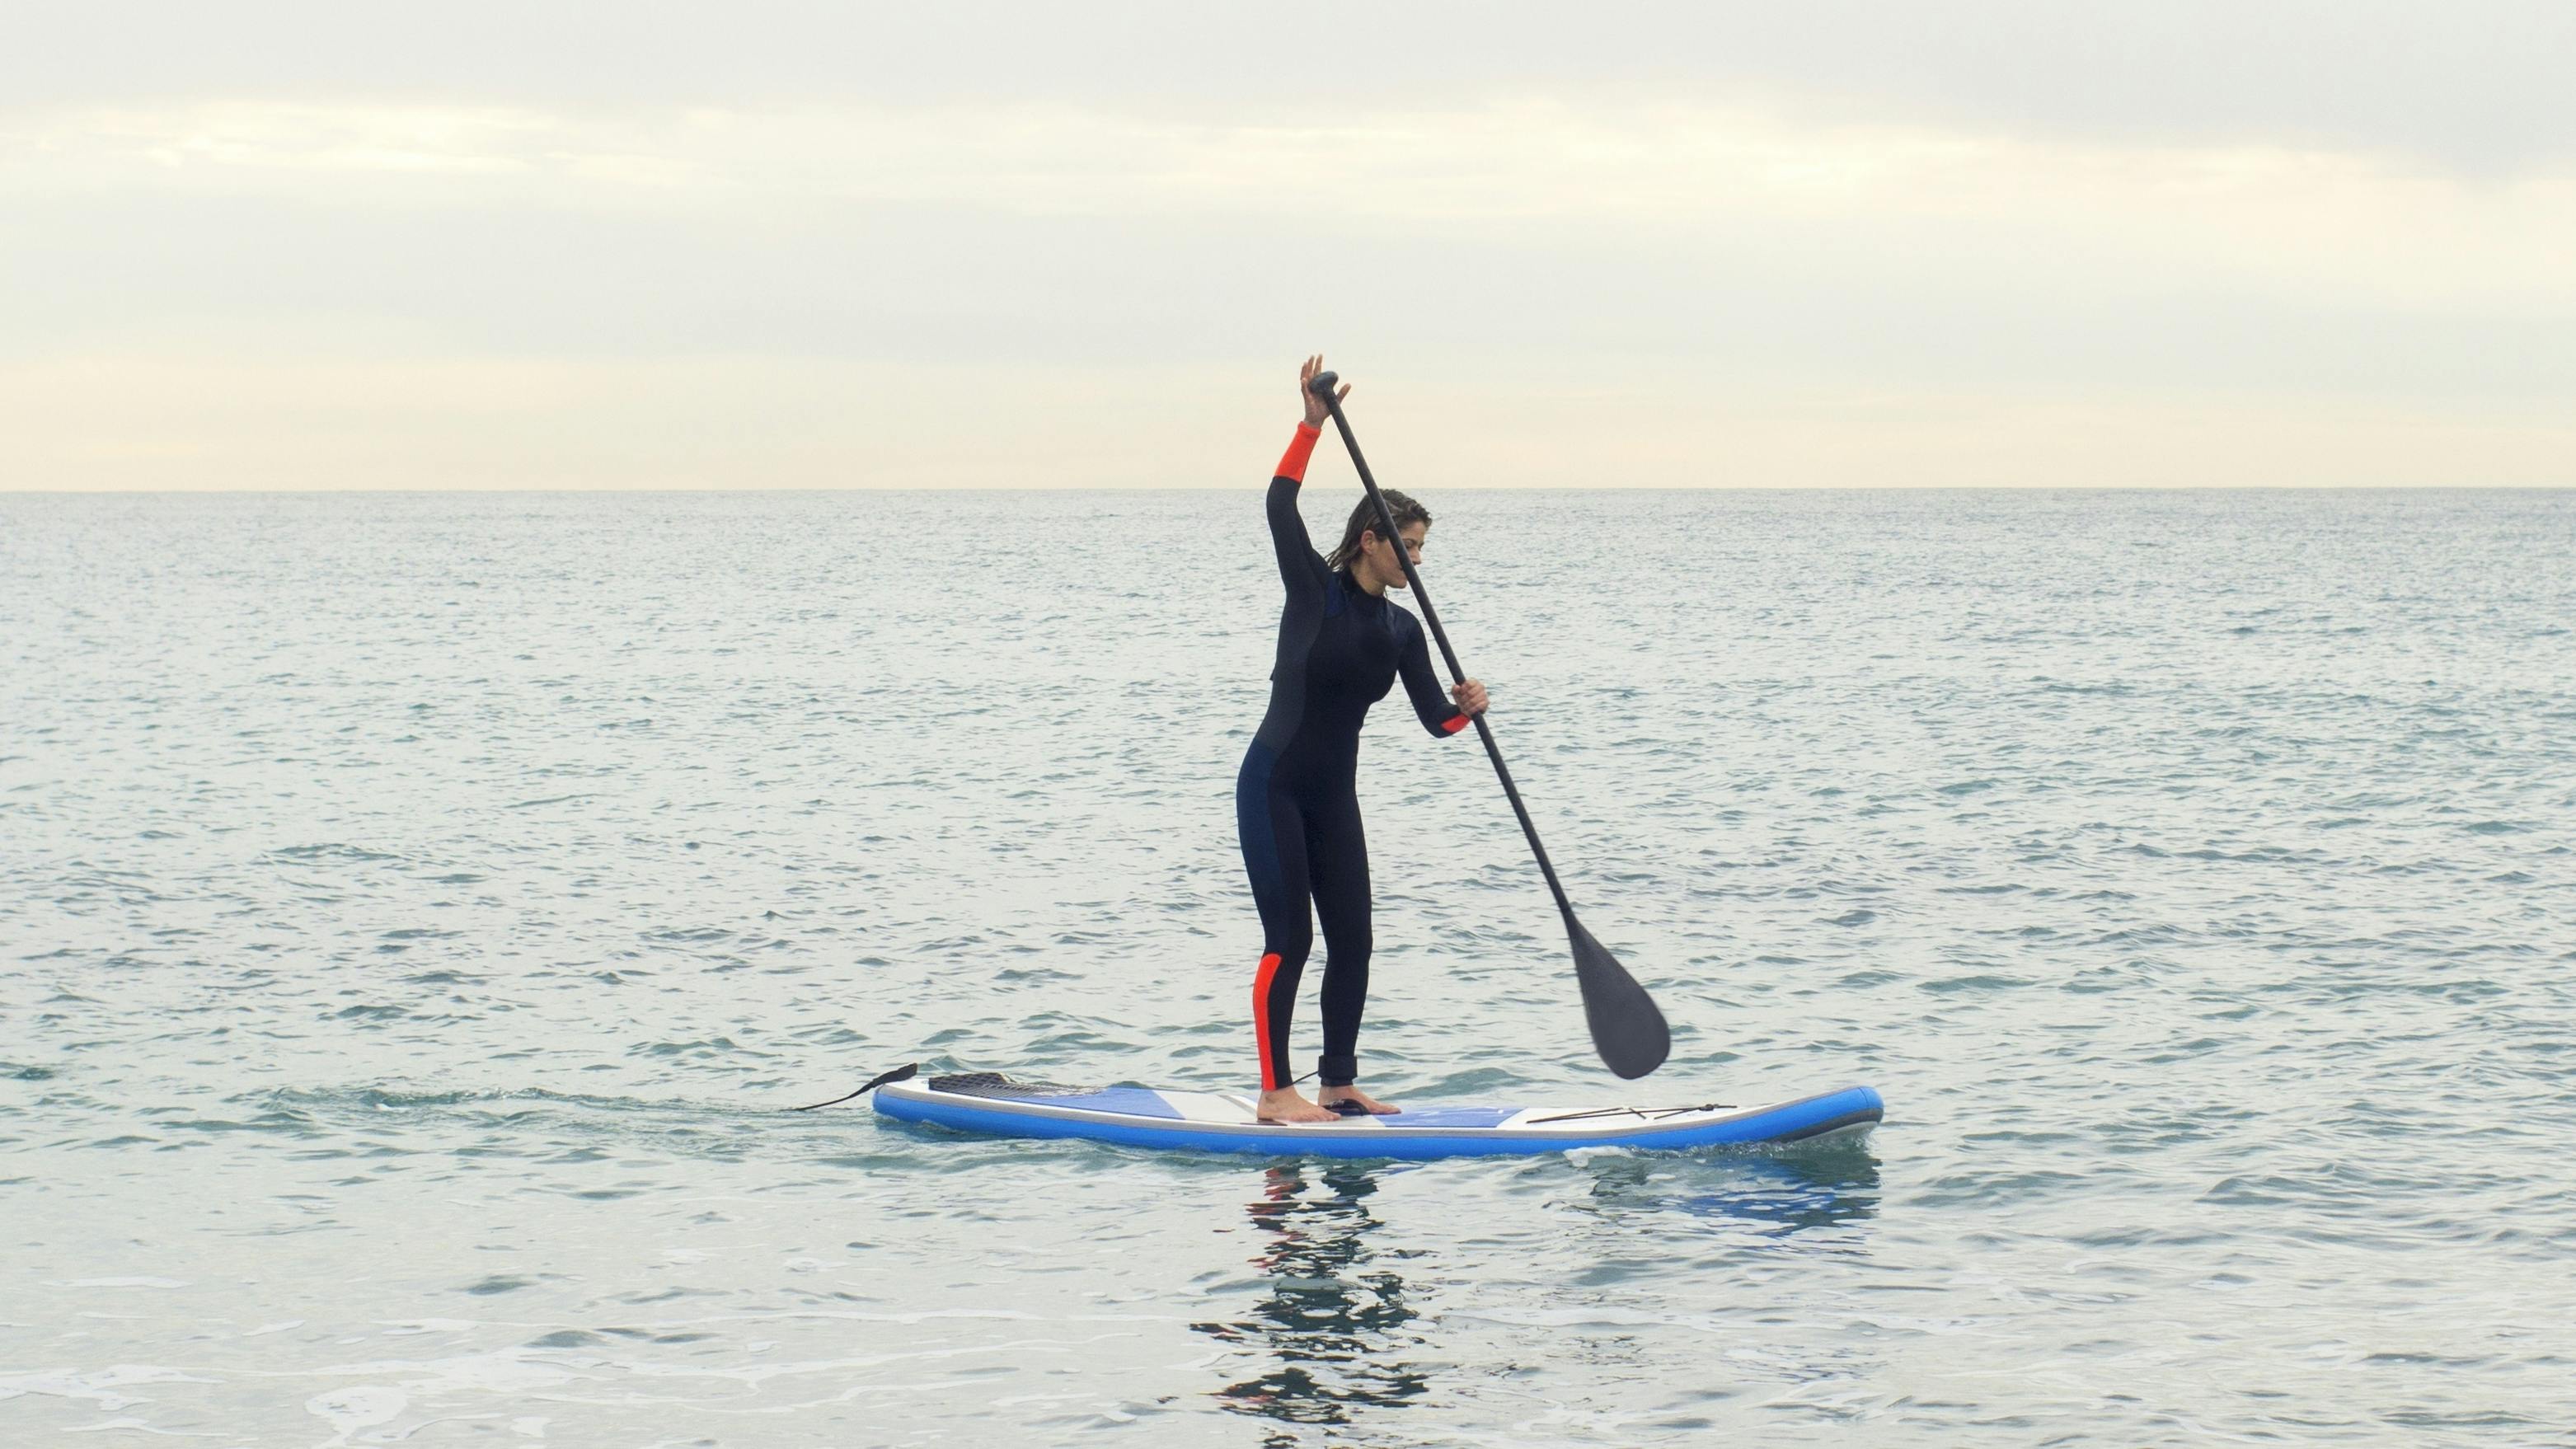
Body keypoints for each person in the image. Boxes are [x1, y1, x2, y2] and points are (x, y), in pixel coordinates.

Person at [1237, 355, 1489, 1123]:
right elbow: (1279, 505)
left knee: (1355, 940)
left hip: (1333, 797)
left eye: (1421, 550)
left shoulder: (1402, 630)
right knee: (1291, 938)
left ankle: (1337, 1083)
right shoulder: (1314, 591)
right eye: (1408, 546)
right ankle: (1275, 1094)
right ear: (1372, 538)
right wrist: (1309, 428)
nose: (1416, 561)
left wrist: (1466, 708)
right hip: (1274, 782)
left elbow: (1432, 721)